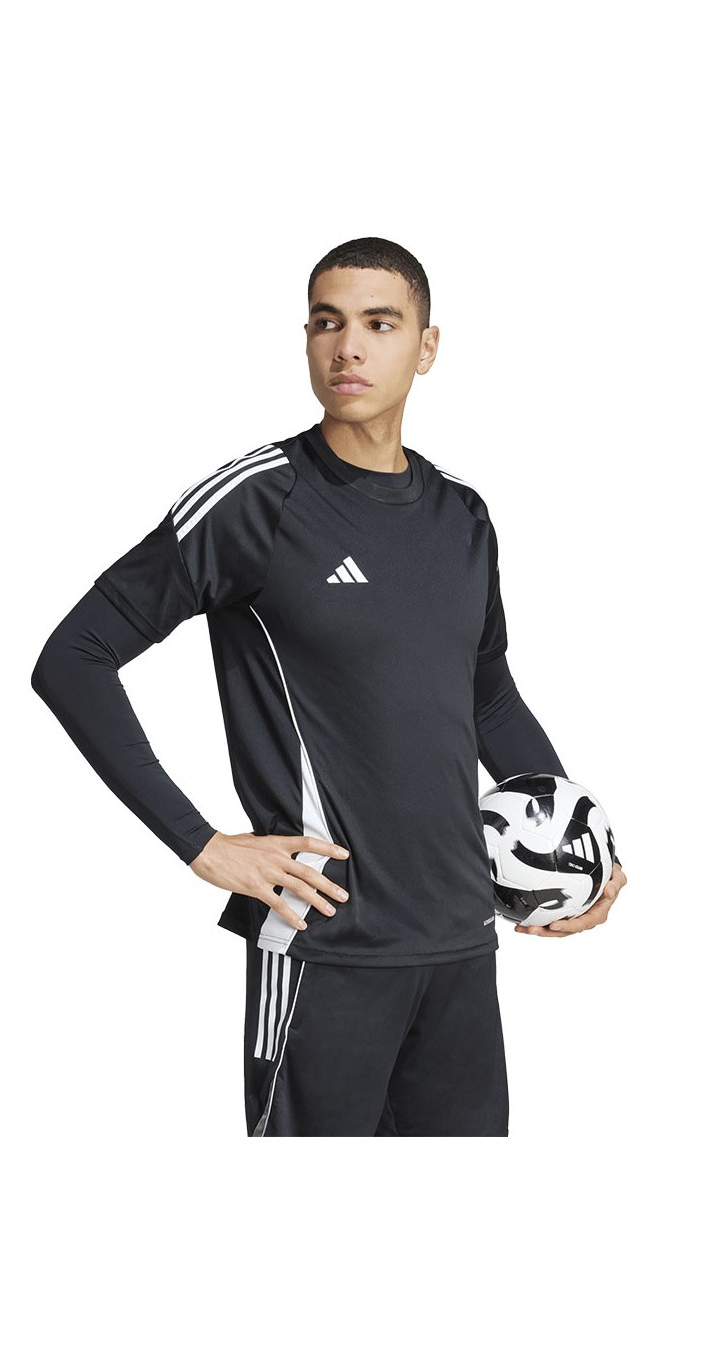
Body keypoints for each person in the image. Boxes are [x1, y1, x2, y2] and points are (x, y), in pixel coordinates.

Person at [31, 236, 627, 1137]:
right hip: (324, 948)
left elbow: (488, 694)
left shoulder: (463, 515)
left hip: (463, 942)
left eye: (380, 324)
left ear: (426, 347)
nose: (348, 347)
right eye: (326, 323)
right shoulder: (257, 502)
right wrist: (200, 844)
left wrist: (579, 849)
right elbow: (74, 656)